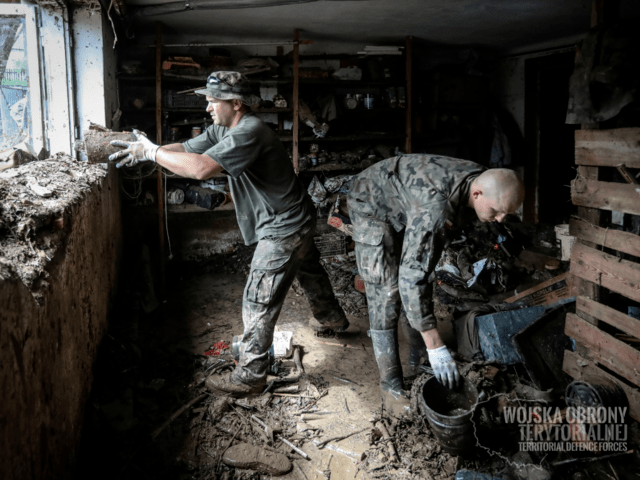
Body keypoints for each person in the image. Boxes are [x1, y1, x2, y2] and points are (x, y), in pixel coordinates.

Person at [109, 71, 350, 395]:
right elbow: (188, 148)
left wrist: (151, 154)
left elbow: (199, 168)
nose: (208, 107)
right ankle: (333, 320)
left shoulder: (249, 131)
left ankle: (250, 377)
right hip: (298, 216)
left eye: (213, 101)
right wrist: (149, 146)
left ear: (236, 103)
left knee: (258, 299)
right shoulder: (225, 127)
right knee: (308, 270)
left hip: (284, 227)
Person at [347, 154, 525, 414]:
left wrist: (498, 230)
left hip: (405, 194)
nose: (500, 218)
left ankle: (418, 357)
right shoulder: (436, 210)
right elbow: (411, 277)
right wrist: (436, 345)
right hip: (370, 200)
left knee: (423, 273)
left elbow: (421, 268)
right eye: (496, 211)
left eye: (505, 213)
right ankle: (390, 387)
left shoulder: (483, 179)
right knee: (386, 290)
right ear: (476, 194)